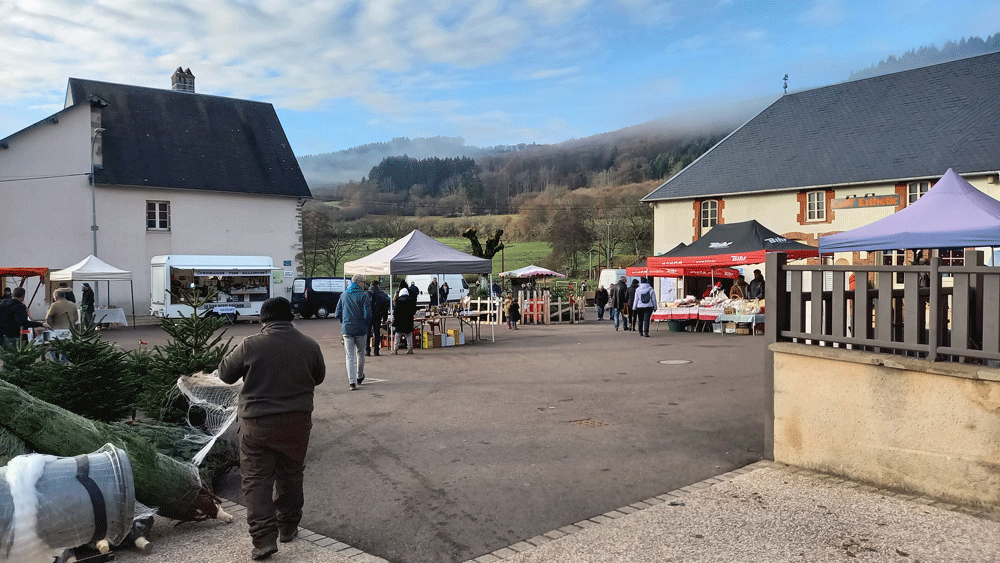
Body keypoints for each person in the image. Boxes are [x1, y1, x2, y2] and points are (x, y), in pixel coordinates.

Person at [217, 297, 325, 561]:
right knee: (291, 473)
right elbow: (319, 377)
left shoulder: (250, 345)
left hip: (257, 425)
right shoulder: (309, 345)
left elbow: (224, 374)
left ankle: (264, 540)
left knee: (256, 480)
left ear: (264, 320)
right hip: (297, 423)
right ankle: (288, 527)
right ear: (290, 317)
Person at [334, 274, 371, 391]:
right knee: (360, 353)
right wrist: (365, 324)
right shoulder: (363, 296)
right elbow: (368, 314)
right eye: (364, 283)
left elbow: (337, 313)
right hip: (361, 329)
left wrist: (344, 322)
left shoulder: (343, 295)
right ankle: (360, 376)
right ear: (360, 282)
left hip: (347, 329)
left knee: (349, 356)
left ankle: (352, 382)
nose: (364, 285)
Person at [366, 280, 391, 357]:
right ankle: (376, 350)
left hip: (367, 317)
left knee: (367, 333)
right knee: (377, 333)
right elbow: (385, 308)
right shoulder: (382, 295)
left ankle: (367, 351)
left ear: (371, 285)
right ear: (378, 286)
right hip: (378, 316)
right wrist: (385, 318)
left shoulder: (366, 294)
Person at [392, 287, 416, 354]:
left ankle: (395, 349)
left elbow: (395, 312)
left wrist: (395, 319)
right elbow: (413, 311)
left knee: (398, 335)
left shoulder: (398, 301)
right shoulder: (411, 300)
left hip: (399, 320)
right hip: (408, 320)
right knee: (408, 334)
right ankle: (410, 348)